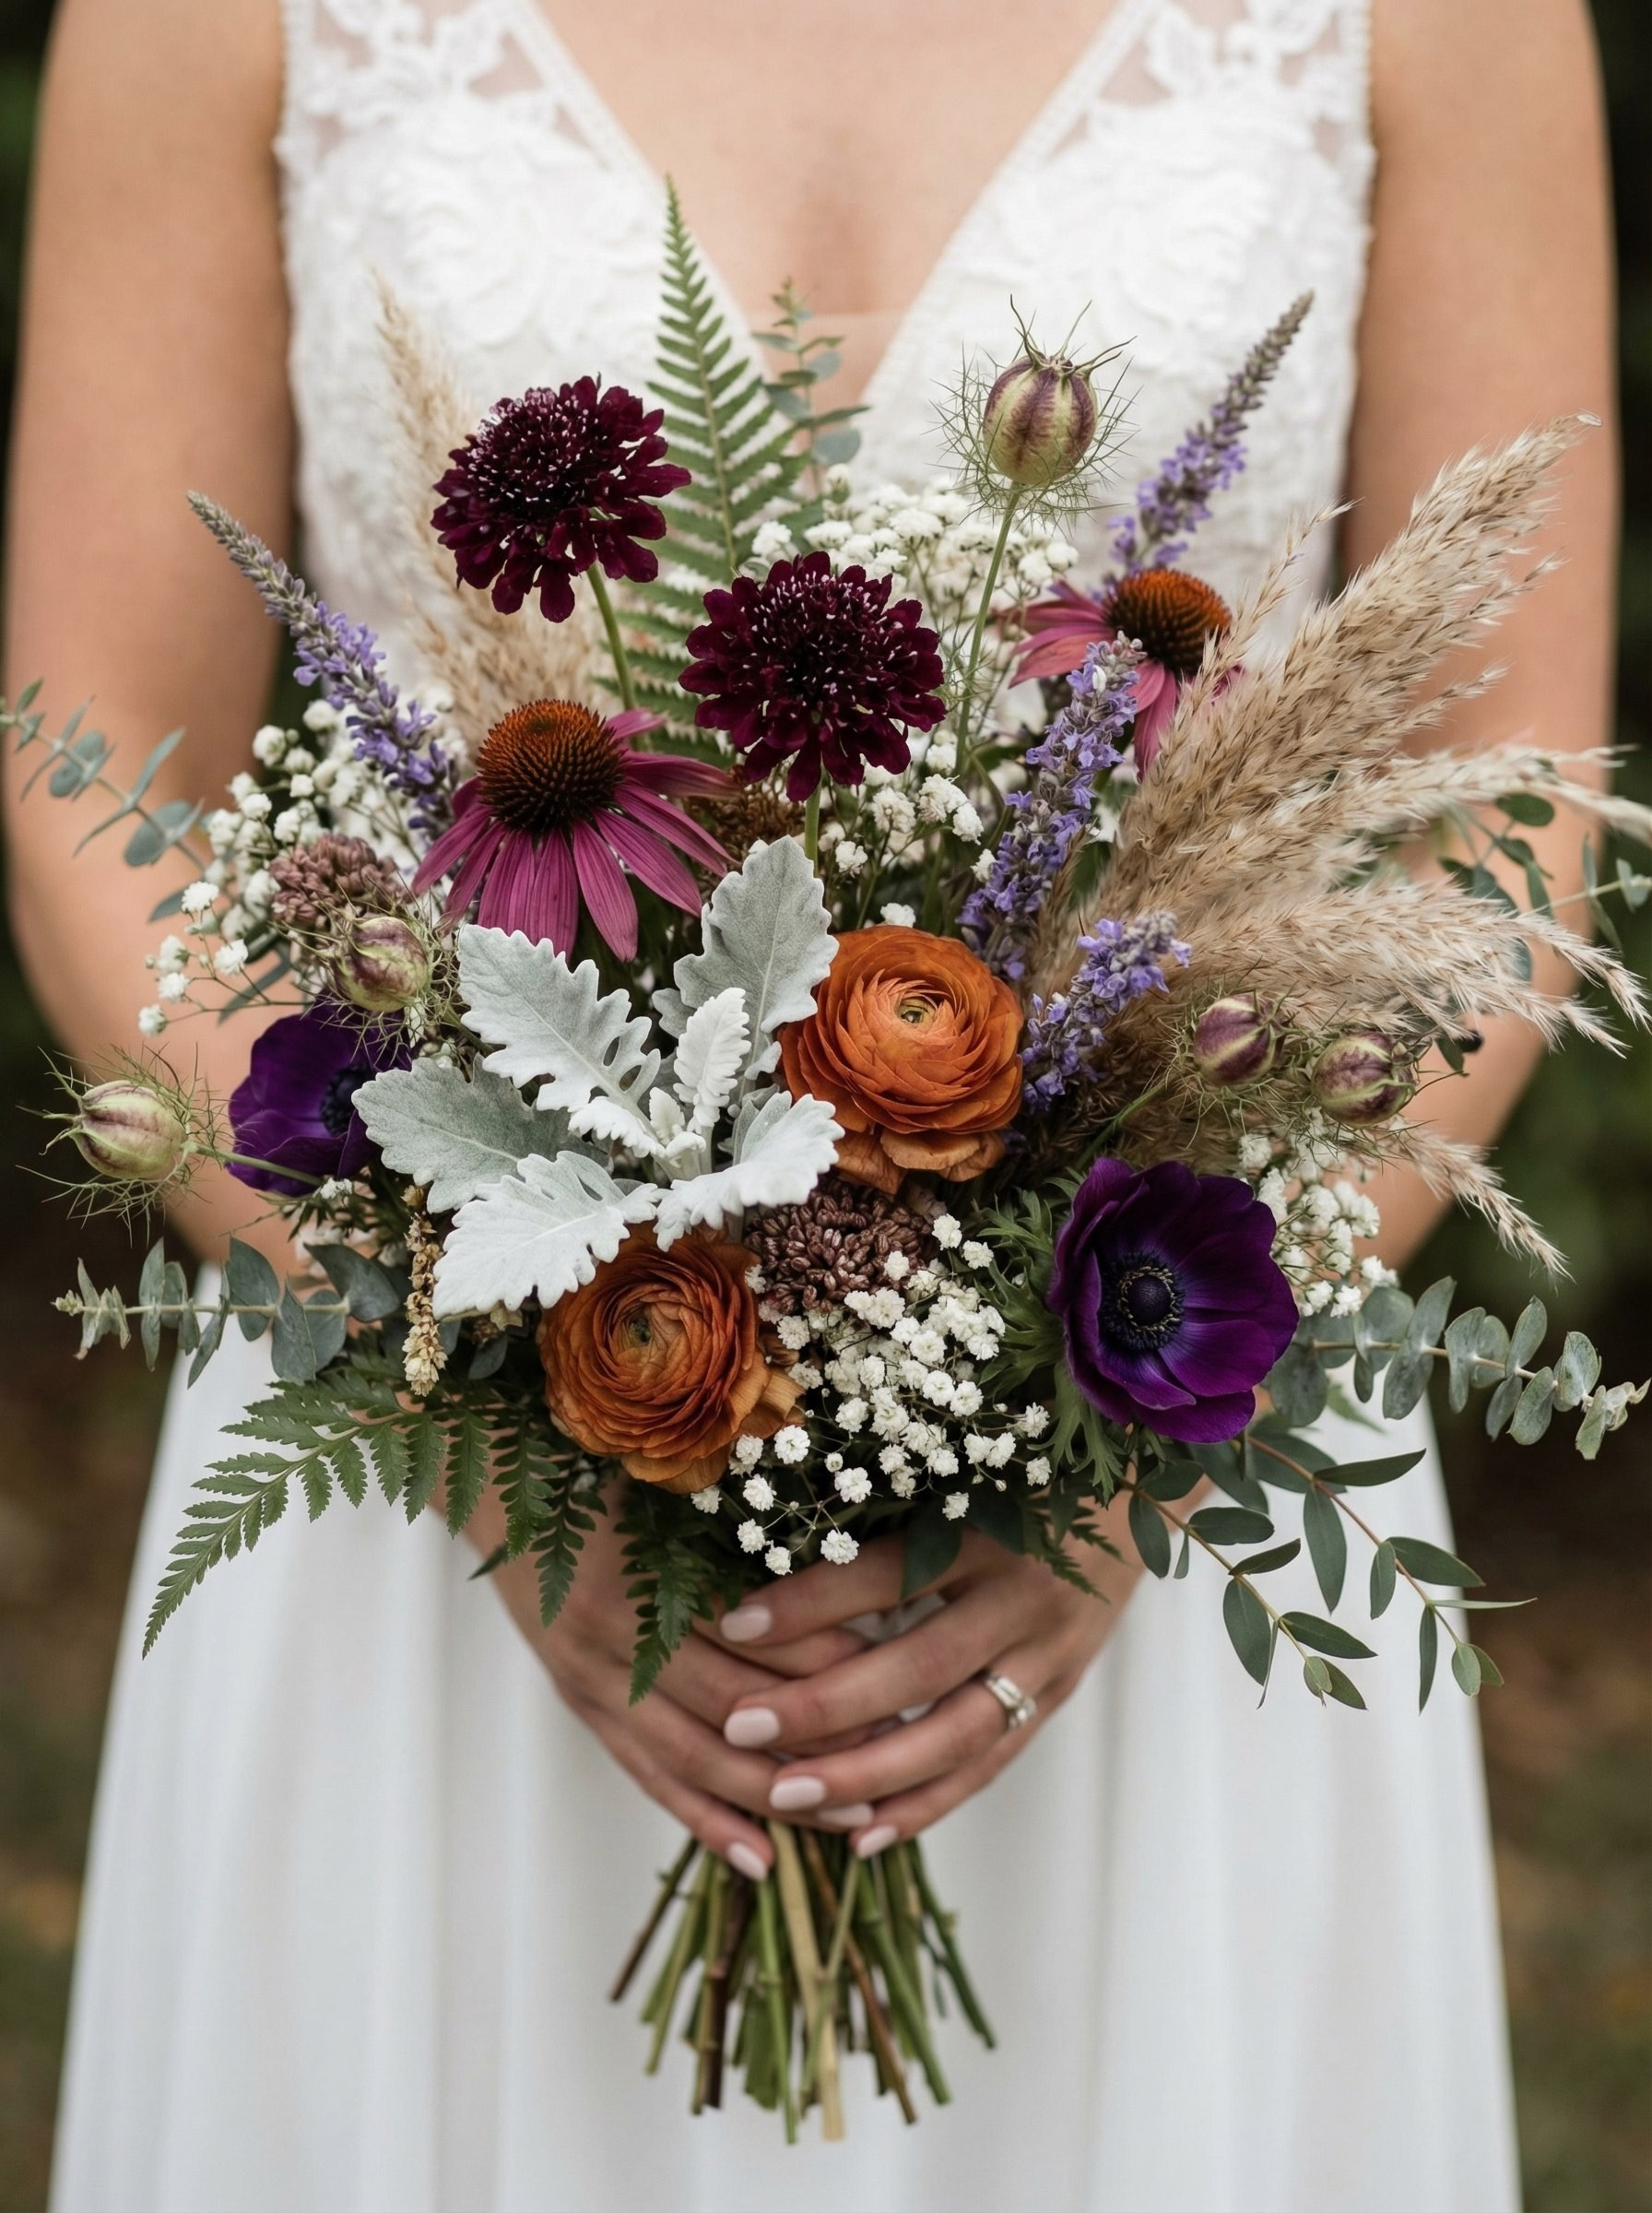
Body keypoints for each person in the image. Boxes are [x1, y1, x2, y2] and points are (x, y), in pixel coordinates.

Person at [4, 1, 1615, 2207]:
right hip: (427, 1483)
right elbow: (88, 752)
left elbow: (1502, 808)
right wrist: (466, 1403)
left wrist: (1133, 1445)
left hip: (1148, 1478)